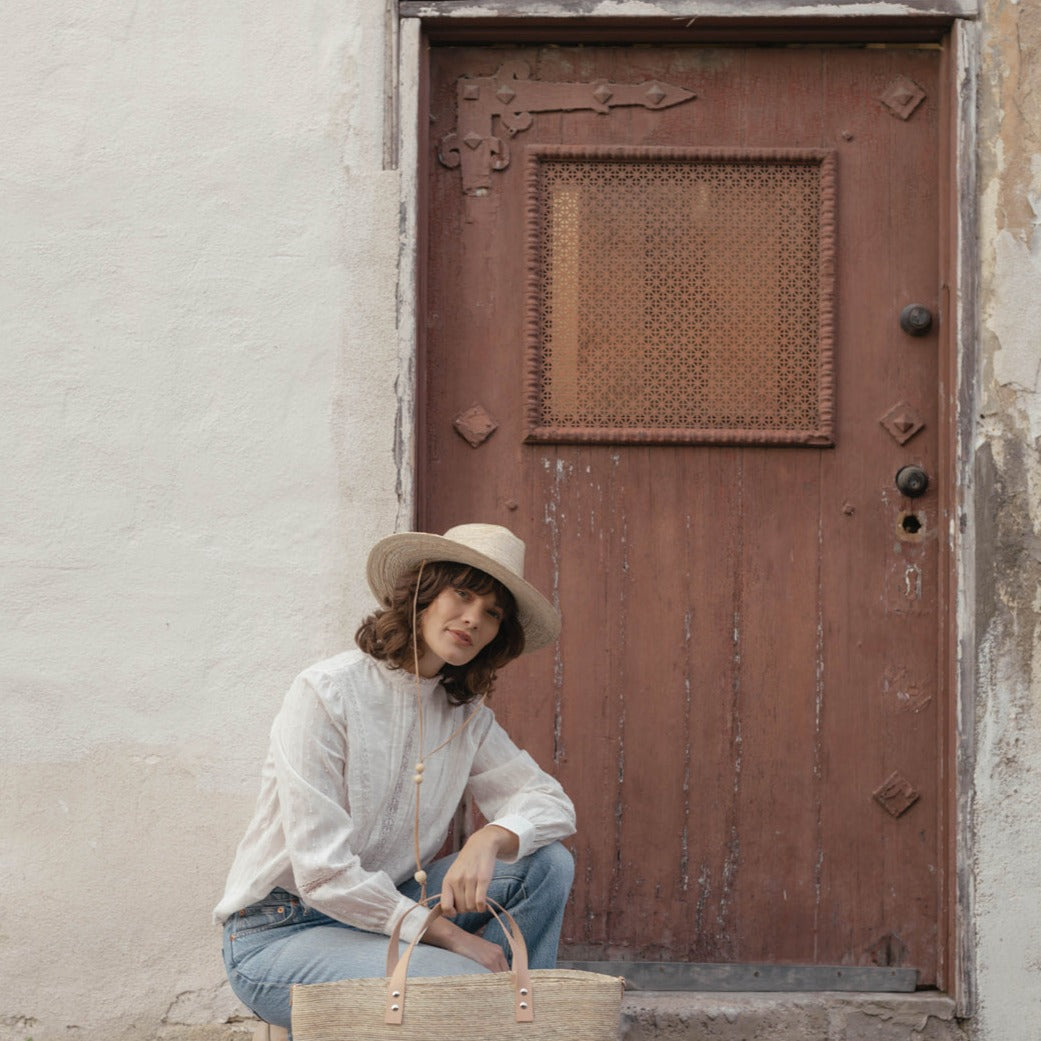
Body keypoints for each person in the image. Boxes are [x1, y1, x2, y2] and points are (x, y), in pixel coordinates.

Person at [214, 523, 576, 1031]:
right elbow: (321, 872)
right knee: (465, 985)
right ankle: (486, 1013)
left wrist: (493, 836)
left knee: (546, 863)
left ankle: (509, 1024)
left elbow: (550, 803)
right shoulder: (326, 693)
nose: (473, 618)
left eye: (492, 612)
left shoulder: (466, 715)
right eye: (463, 593)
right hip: (283, 931)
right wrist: (453, 937)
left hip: (395, 913)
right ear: (424, 594)